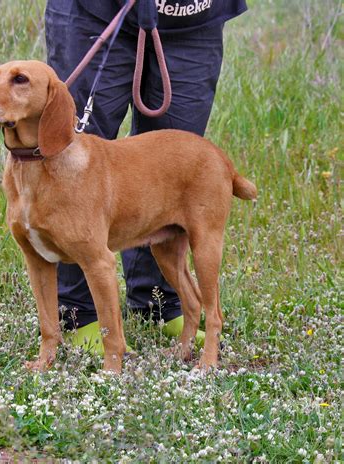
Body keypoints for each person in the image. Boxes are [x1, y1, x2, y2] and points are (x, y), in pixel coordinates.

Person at [44, 0, 247, 352]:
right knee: (71, 160)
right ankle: (79, 314)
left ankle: (161, 305)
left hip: (191, 18)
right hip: (97, 11)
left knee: (171, 168)